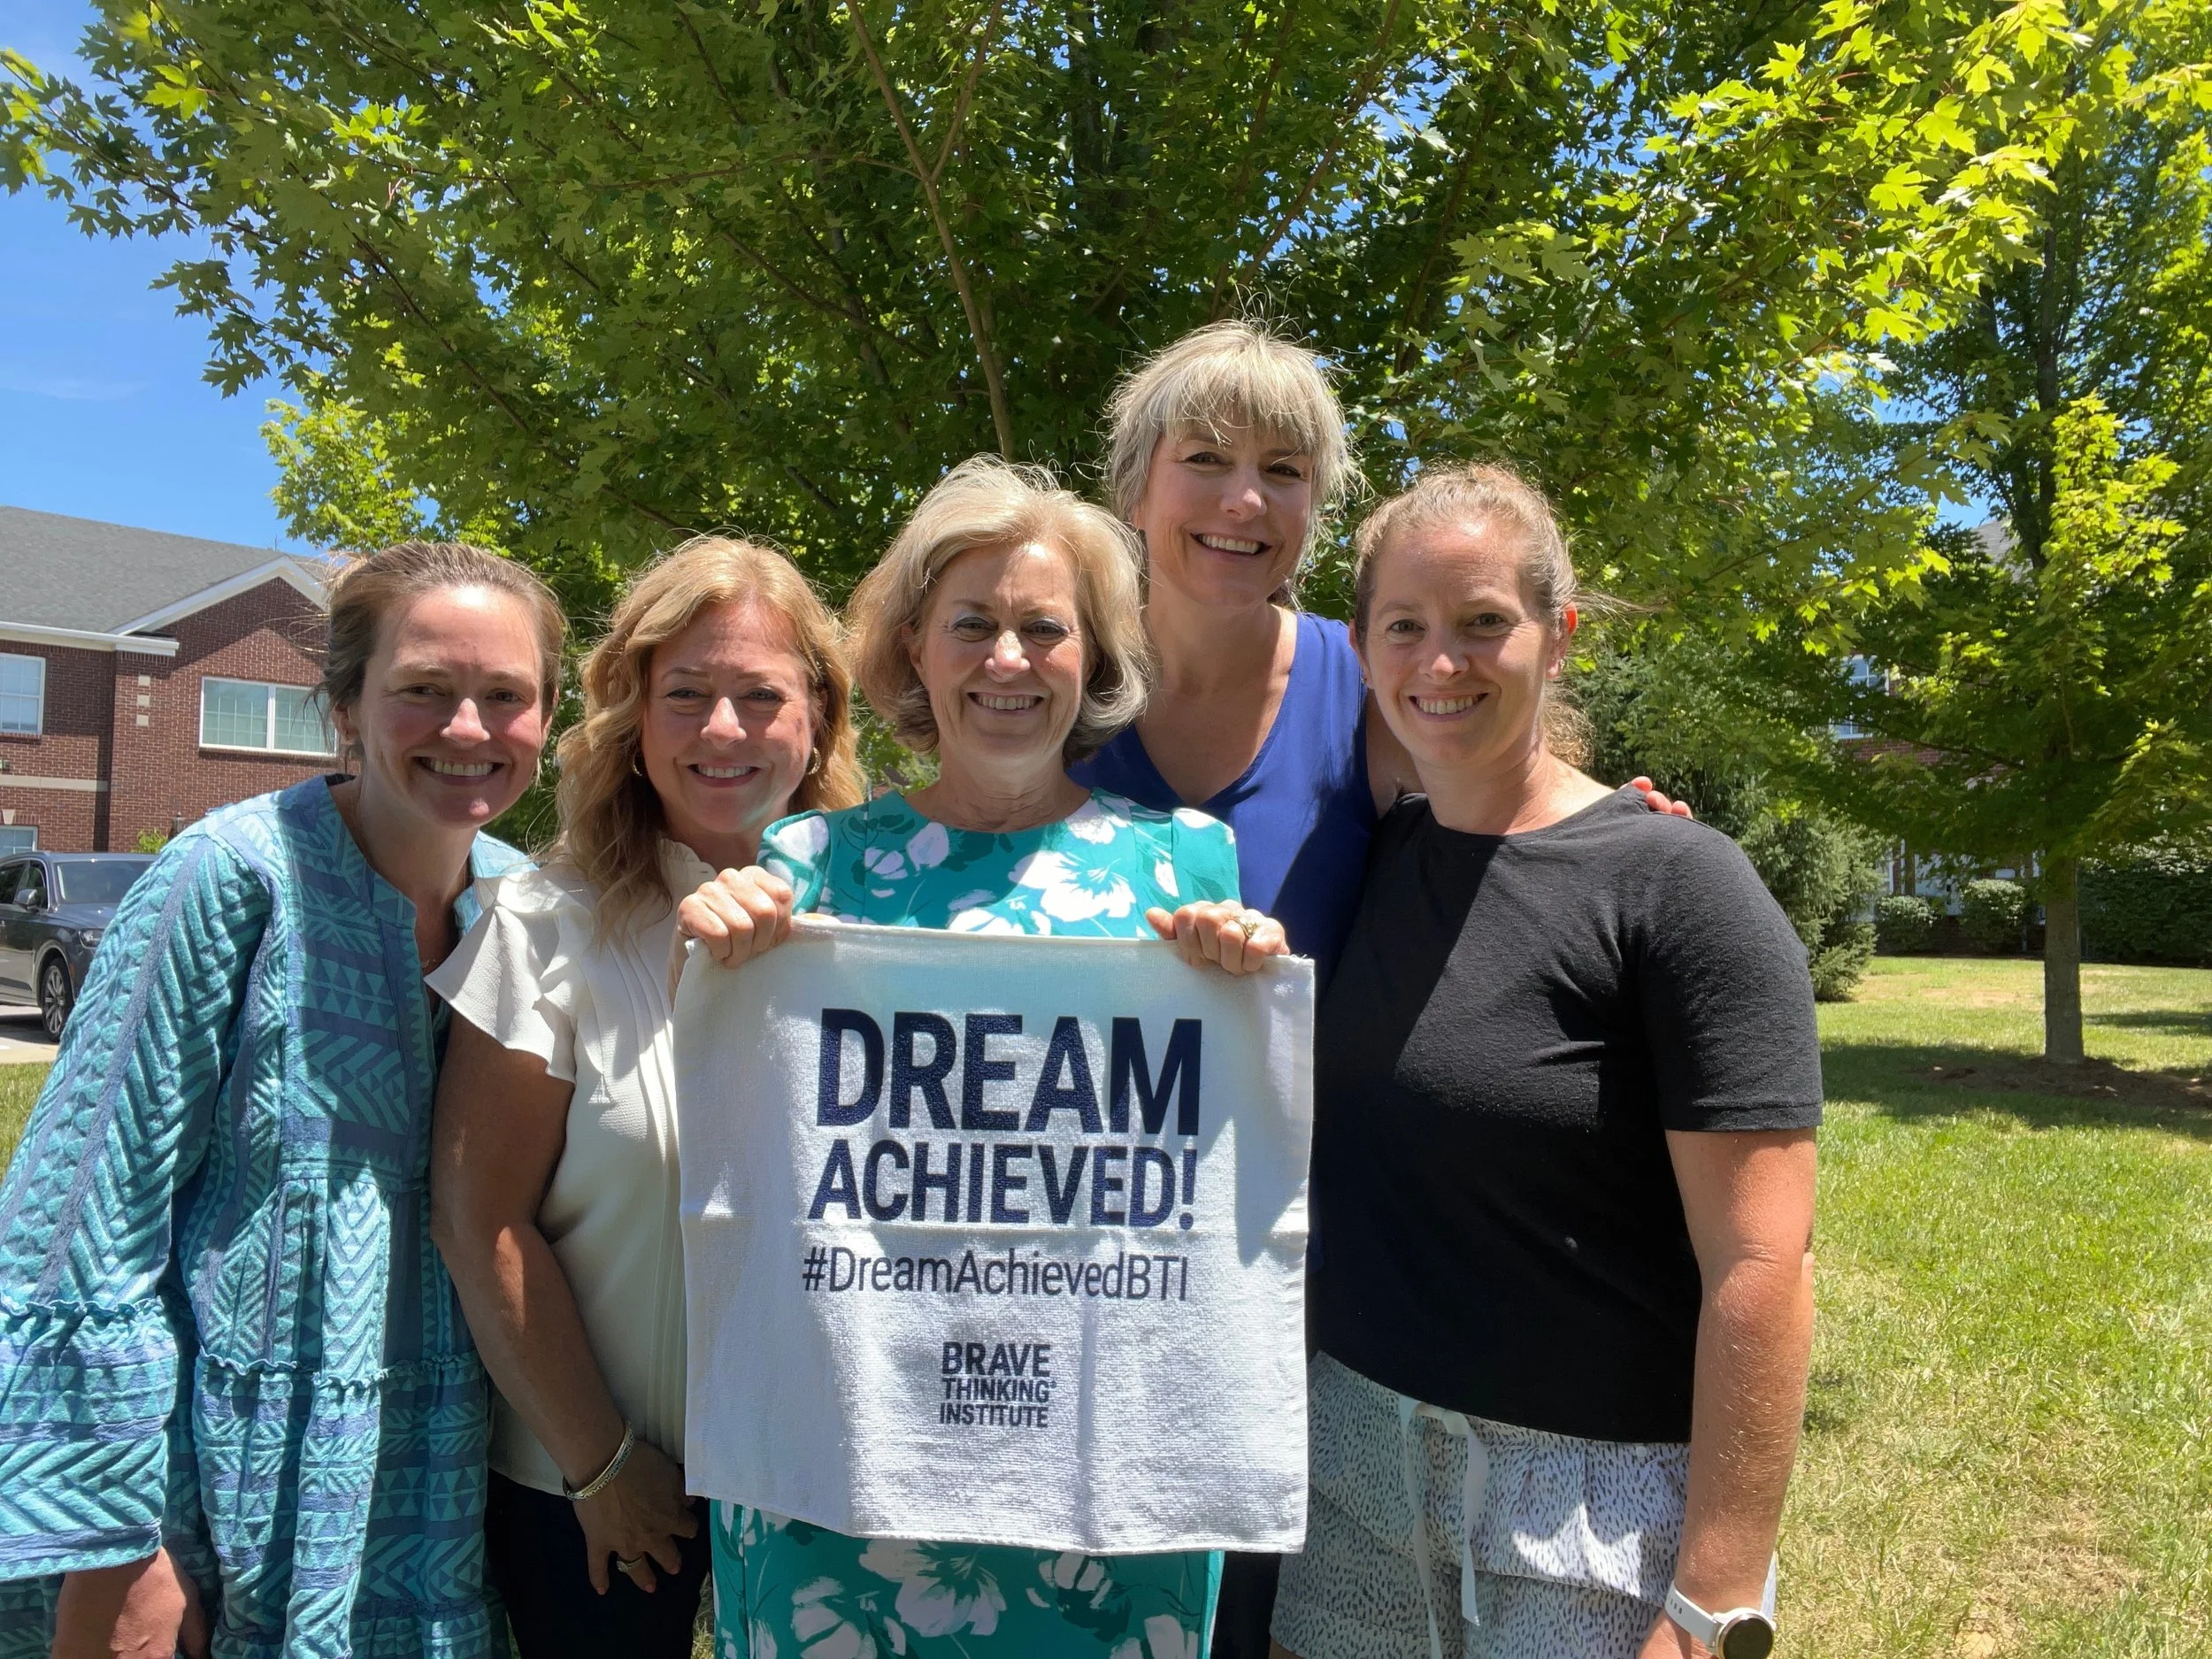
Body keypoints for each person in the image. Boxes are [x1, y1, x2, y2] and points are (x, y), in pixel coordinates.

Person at [1071, 319, 1692, 1657]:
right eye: (1207, 459)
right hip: (1078, 1241)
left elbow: (1499, 805)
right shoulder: (1058, 680)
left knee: (1246, 1611)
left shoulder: (1367, 679)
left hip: (1306, 1267)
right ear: (1135, 486)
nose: (1246, 499)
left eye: (1285, 468)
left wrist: (1616, 832)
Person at [676, 457, 1291, 1659]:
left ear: (1095, 654)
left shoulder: (1187, 869)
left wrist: (1246, 979)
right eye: (973, 625)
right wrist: (728, 951)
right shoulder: (807, 865)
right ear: (915, 649)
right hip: (848, 1477)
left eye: (1043, 628)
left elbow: (1225, 1159)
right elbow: (744, 1137)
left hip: (1102, 1485)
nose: (1007, 658)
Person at [1272, 465, 1821, 1659]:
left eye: (1484, 623)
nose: (1442, 661)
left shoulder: (1678, 885)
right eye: (1405, 627)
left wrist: (1714, 1599)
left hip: (1592, 1513)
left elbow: (1762, 1260)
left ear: (1557, 634)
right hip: (1352, 1471)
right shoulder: (1364, 855)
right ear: (1362, 648)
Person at [0, 542, 565, 1659]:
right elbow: (80, 1225)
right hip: (210, 1490)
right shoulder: (231, 878)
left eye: (506, 696)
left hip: (437, 1500)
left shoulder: (531, 912)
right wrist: (119, 1547)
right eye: (423, 690)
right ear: (346, 706)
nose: (467, 728)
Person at [426, 537, 864, 1658]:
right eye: (687, 696)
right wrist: (600, 1461)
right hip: (597, 1489)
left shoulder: (881, 921)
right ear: (632, 716)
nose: (724, 731)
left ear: (816, 716)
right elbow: (479, 1220)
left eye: (761, 696)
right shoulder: (546, 924)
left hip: (825, 1478)